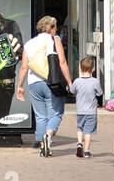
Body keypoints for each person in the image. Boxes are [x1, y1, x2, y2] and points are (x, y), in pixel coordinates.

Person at [15, 15, 72, 156]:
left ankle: (43, 147)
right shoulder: (54, 39)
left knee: (40, 116)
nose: (56, 30)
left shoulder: (29, 44)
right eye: (55, 27)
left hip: (34, 83)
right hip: (51, 82)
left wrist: (20, 86)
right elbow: (62, 61)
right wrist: (70, 82)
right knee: (56, 113)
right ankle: (48, 135)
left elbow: (23, 67)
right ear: (51, 28)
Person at [69, 56, 102, 158]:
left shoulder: (77, 81)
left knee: (80, 128)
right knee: (88, 131)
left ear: (80, 68)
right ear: (92, 69)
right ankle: (87, 151)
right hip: (91, 111)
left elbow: (72, 91)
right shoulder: (95, 81)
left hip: (80, 110)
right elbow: (100, 93)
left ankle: (79, 143)